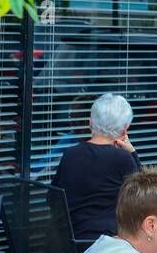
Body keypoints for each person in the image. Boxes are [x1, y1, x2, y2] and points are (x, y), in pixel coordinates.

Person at [51, 93, 142, 241]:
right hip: (108, 244)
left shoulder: (70, 154)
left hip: (72, 242)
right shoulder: (123, 158)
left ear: (90, 123)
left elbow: (53, 198)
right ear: (125, 129)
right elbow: (146, 199)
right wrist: (132, 153)